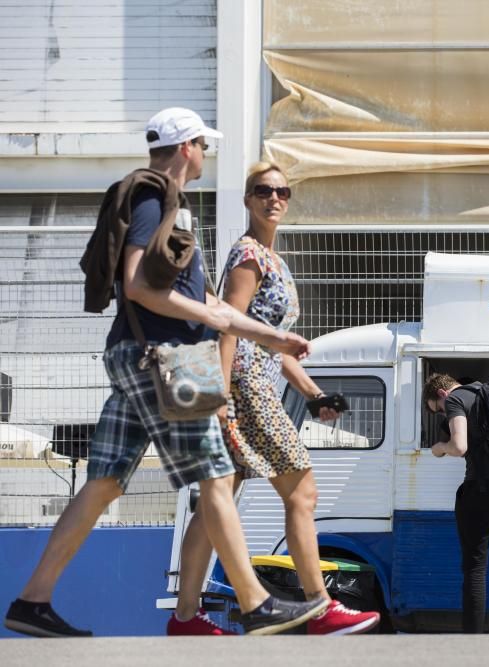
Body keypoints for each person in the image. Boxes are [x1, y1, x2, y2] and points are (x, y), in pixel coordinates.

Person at [4, 108, 328, 638]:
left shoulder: (165, 204)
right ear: (187, 147)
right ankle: (255, 603)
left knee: (105, 485)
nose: (206, 155)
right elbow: (137, 283)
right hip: (168, 357)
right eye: (203, 146)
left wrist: (268, 337)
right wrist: (209, 320)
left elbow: (209, 300)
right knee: (216, 474)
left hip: (138, 356)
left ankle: (32, 601)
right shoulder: (155, 198)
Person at [169, 162, 380, 636]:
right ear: (247, 200)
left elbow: (272, 340)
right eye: (263, 191)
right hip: (244, 388)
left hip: (252, 383)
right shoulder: (249, 255)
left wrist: (314, 394)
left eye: (282, 191)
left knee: (215, 502)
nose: (274, 198)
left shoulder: (273, 259)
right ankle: (319, 606)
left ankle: (185, 619)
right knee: (303, 491)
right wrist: (219, 397)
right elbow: (226, 323)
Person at [423, 373, 489, 634]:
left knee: (475, 569)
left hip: (481, 488)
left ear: (440, 395)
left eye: (437, 411)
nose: (442, 416)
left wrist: (439, 447)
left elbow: (459, 446)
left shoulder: (455, 400)